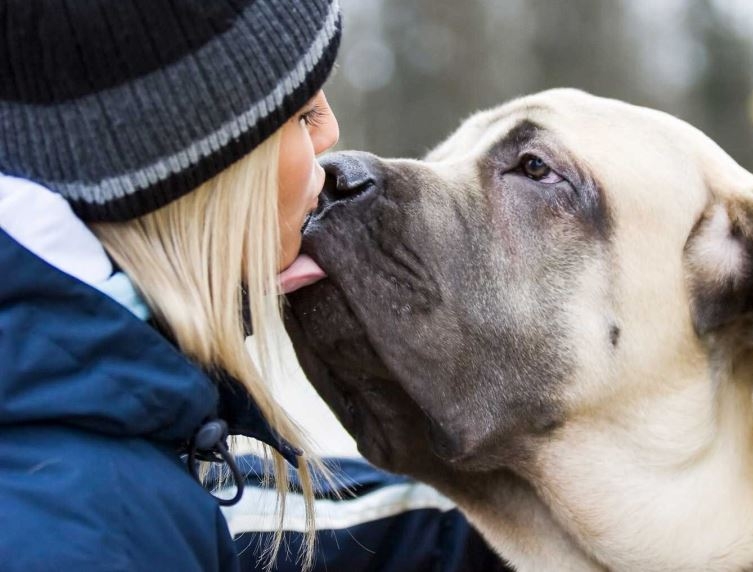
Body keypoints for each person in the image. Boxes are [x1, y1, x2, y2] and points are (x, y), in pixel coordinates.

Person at [0, 1, 508, 570]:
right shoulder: (89, 535)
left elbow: (244, 522)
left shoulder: (86, 423)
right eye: (296, 114)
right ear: (194, 174)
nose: (330, 132)